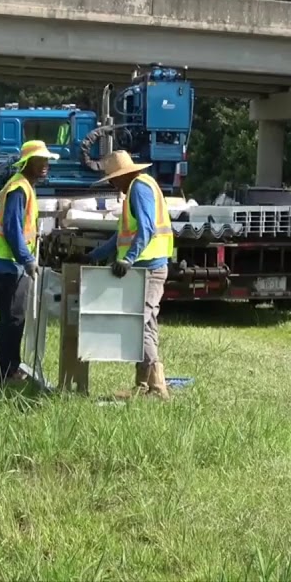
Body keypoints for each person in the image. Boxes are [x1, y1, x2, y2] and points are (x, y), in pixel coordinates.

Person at [87, 150, 176, 399]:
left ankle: (157, 388)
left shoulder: (138, 188)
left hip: (149, 268)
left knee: (138, 325)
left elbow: (147, 228)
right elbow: (121, 236)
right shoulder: (138, 188)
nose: (113, 184)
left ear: (123, 175)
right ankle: (144, 385)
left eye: (114, 179)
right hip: (145, 267)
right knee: (146, 325)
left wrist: (127, 259)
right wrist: (93, 256)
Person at [0, 140, 58, 385]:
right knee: (12, 320)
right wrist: (27, 260)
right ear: (27, 162)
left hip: (7, 263)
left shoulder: (23, 186)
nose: (44, 165)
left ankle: (7, 369)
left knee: (12, 319)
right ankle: (4, 373)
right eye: (39, 160)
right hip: (7, 264)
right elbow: (12, 229)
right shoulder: (19, 189)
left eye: (46, 160)